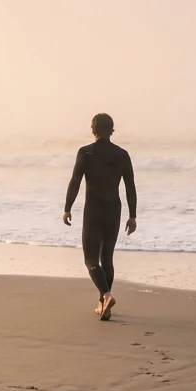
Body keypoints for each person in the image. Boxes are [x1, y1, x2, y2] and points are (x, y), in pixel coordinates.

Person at [63, 113, 137, 320]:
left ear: (93, 129)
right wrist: (133, 215)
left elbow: (75, 181)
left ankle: (106, 295)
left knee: (90, 259)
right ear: (112, 130)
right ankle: (103, 304)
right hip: (114, 209)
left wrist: (67, 207)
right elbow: (130, 186)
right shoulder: (122, 154)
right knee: (107, 258)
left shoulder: (86, 153)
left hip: (93, 211)